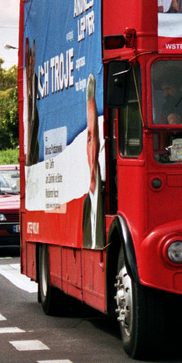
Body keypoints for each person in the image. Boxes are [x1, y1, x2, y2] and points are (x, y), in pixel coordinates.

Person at [81, 75, 105, 249]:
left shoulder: (104, 199)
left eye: (94, 137)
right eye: (89, 138)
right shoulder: (87, 205)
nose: (91, 147)